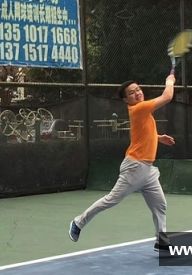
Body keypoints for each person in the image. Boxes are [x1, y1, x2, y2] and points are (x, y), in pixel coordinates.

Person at [69, 73, 176, 252]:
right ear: (127, 99)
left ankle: (161, 241)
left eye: (138, 89)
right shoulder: (139, 109)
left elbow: (139, 135)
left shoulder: (141, 111)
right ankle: (78, 222)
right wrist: (169, 81)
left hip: (147, 170)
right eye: (132, 92)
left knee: (160, 204)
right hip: (135, 166)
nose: (137, 93)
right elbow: (168, 96)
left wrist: (158, 138)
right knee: (111, 200)